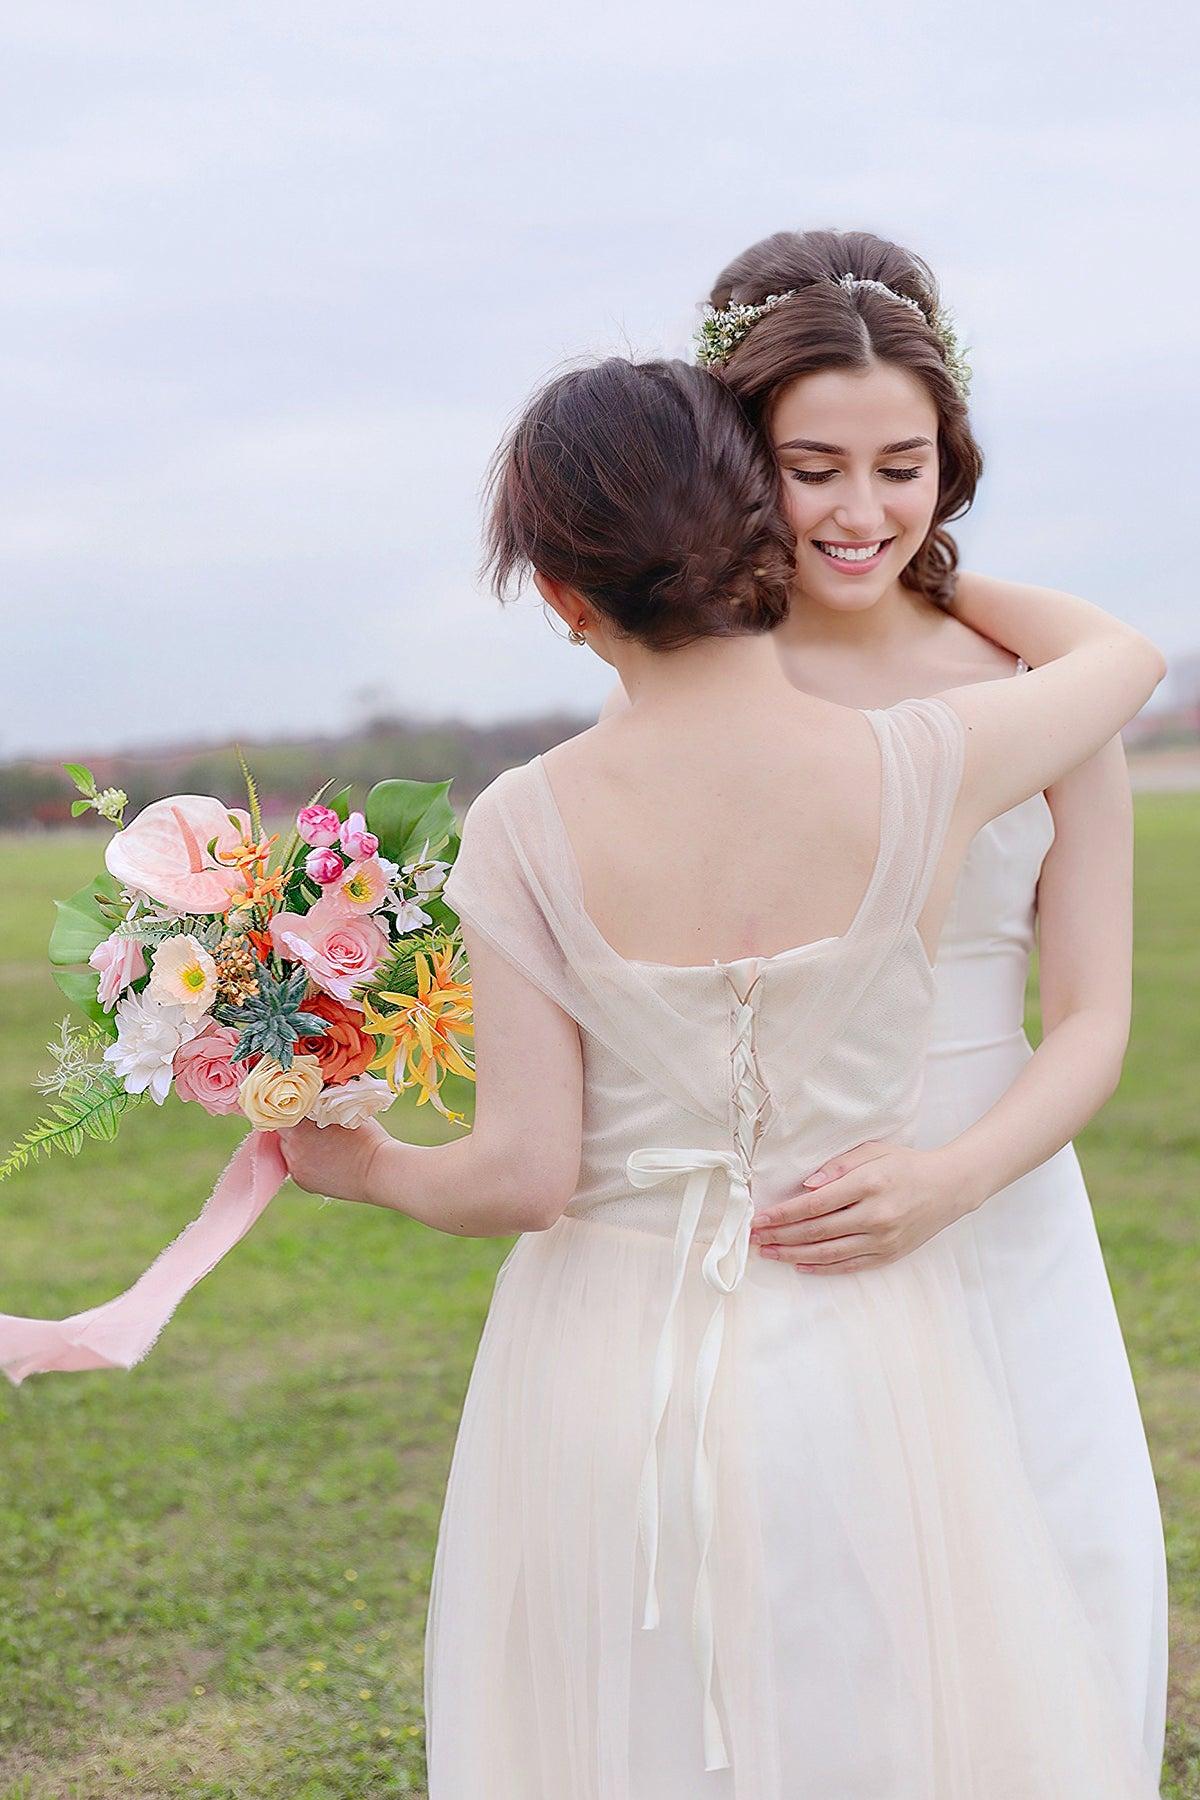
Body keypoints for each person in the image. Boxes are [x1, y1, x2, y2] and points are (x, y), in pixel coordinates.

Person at [280, 354, 1165, 1797]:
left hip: (603, 1353)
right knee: (886, 1706)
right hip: (870, 1337)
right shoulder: (927, 763)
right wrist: (938, 577)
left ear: (563, 597)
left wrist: (361, 1162)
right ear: (764, 526)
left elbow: (520, 1177)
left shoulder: (520, 823)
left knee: (629, 1720)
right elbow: (1124, 660)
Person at [602, 228, 1169, 1773]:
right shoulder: (699, 677)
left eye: (903, 466)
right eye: (815, 466)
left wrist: (953, 1180)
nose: (863, 510)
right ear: (741, 460)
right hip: (795, 1208)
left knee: (1067, 1582)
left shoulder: (1041, 680)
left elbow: (1096, 1018)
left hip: (1001, 1205)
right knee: (817, 1624)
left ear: (951, 462)